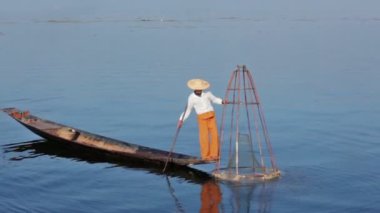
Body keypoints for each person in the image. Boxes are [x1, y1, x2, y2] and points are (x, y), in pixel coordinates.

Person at [177, 79, 226, 161]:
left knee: (215, 135)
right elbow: (188, 110)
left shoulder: (207, 94)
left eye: (200, 89)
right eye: (198, 89)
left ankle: (214, 155)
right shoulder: (191, 98)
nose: (199, 91)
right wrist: (181, 120)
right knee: (204, 137)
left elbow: (215, 99)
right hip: (202, 118)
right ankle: (205, 156)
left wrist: (222, 101)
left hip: (211, 116)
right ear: (194, 89)